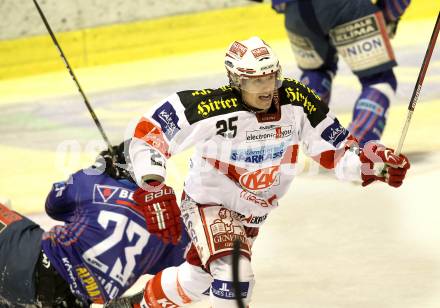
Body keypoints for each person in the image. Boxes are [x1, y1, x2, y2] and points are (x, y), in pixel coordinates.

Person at [111, 36, 410, 308]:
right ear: (235, 80)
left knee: (199, 280)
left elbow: (339, 151)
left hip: (254, 213)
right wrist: (152, 183)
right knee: (234, 277)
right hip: (209, 204)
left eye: (271, 77)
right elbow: (149, 130)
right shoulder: (211, 106)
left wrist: (375, 164)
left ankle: (137, 305)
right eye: (256, 82)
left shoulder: (297, 101)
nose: (267, 88)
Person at [0, 141, 190, 307]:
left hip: (27, 259)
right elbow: (193, 270)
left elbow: (52, 205)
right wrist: (135, 303)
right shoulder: (169, 228)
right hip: (68, 302)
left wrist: (96, 168)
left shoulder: (94, 181)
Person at [271, 0, 410, 147]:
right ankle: (358, 148)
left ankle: (282, 140)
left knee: (317, 71)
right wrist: (387, 17)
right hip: (346, 7)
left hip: (296, 12)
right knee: (378, 80)